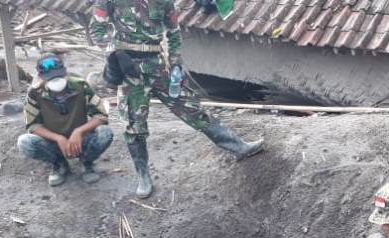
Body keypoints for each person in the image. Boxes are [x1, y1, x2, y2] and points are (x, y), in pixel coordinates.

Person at [90, 0, 263, 198]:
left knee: (192, 108)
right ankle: (143, 176)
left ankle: (238, 147)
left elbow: (173, 33)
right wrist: (117, 54)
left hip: (157, 64)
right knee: (133, 124)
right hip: (129, 69)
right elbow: (97, 30)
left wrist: (175, 64)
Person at [17, 53, 113, 187]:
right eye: (50, 78)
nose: (56, 80)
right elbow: (33, 125)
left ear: (65, 72)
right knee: (25, 142)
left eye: (58, 76)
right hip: (53, 143)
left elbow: (101, 116)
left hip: (81, 140)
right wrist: (58, 138)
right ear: (40, 77)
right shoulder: (34, 93)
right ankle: (59, 164)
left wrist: (79, 131)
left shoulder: (81, 86)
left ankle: (86, 162)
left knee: (105, 133)